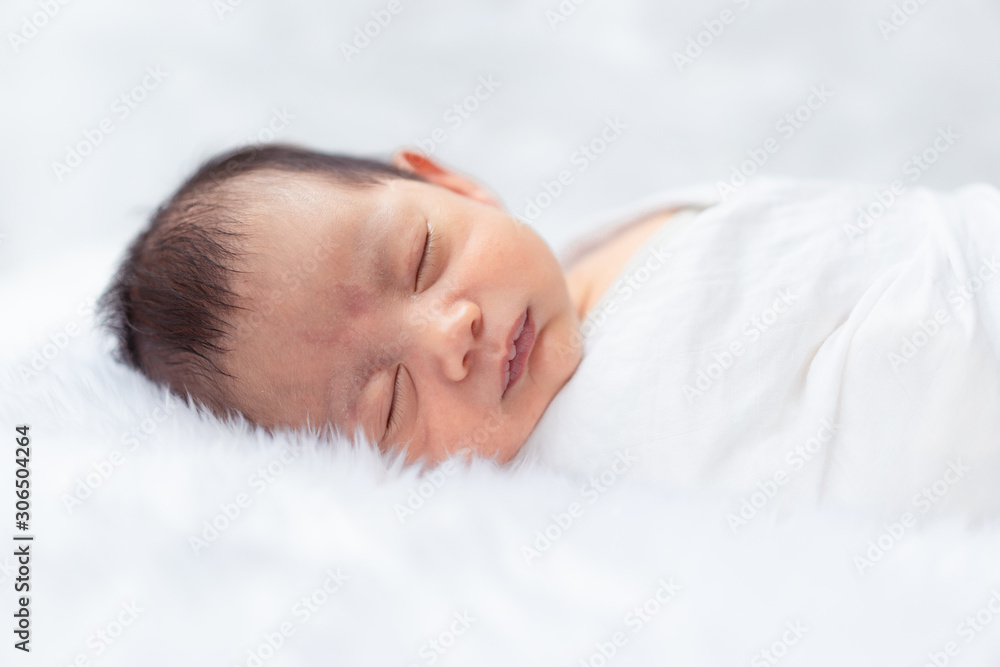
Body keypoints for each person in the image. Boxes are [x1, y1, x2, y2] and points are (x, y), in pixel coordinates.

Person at [100, 144, 678, 465]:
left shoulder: (638, 228)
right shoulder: (576, 478)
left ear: (450, 186)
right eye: (391, 405)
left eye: (423, 258)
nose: (450, 334)